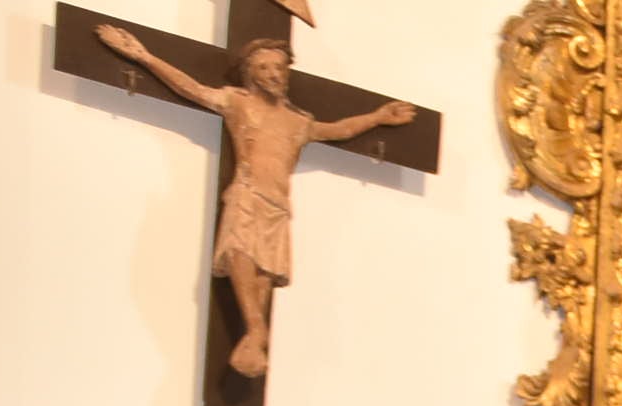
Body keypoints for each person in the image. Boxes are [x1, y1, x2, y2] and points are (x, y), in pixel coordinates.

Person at [90, 26, 415, 376]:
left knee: (265, 273)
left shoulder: (298, 121)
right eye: (265, 68)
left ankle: (253, 336)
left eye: (280, 67)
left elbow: (337, 130)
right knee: (239, 250)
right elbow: (191, 88)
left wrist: (378, 118)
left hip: (278, 206)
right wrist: (143, 56)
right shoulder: (237, 102)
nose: (275, 74)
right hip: (247, 194)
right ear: (251, 74)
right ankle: (257, 332)